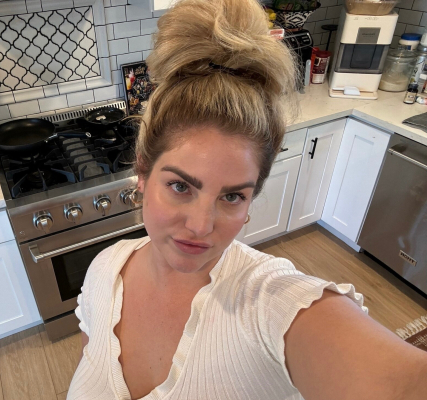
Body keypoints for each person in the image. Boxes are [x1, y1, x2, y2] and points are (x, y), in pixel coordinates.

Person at [67, 0, 427, 398]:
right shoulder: (105, 269)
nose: (201, 226)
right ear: (143, 172)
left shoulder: (270, 302)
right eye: (181, 186)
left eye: (233, 196)